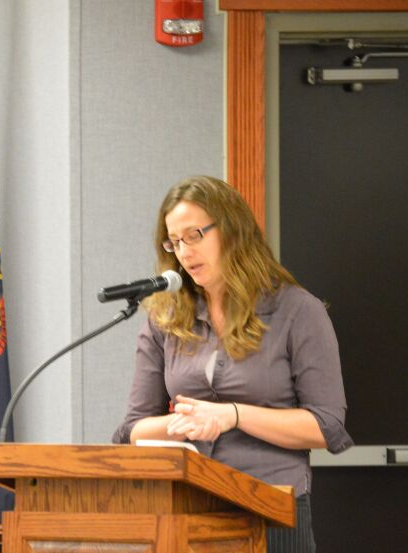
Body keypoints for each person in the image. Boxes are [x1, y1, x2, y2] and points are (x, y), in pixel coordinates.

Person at [112, 176, 352, 553]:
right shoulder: (164, 319)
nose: (184, 253)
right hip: (186, 514)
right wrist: (184, 426)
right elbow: (132, 430)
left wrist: (233, 415)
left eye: (194, 235)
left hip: (271, 512)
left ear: (232, 230)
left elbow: (326, 426)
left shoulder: (296, 311)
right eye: (174, 242)